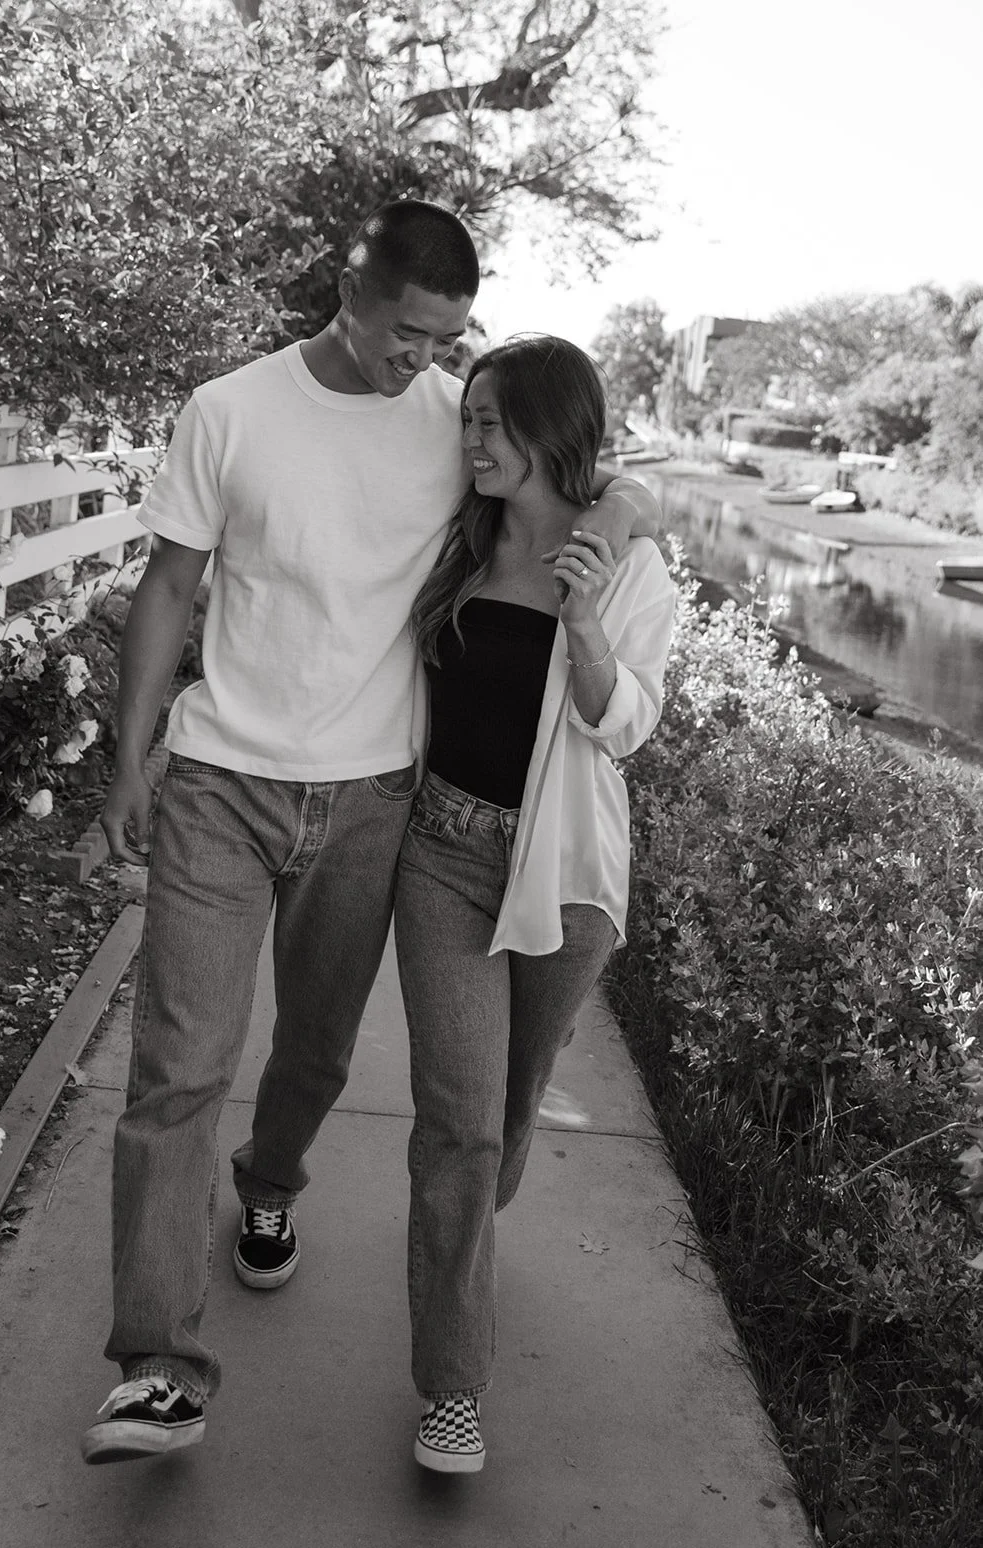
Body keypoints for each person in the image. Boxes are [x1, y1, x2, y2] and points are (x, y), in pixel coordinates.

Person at [80, 199, 662, 1466]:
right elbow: (169, 583)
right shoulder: (228, 409)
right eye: (407, 334)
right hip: (223, 779)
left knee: (317, 1055)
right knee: (178, 1065)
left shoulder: (455, 428)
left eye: (445, 340)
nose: (421, 363)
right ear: (353, 291)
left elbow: (603, 485)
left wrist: (610, 545)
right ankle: (157, 1368)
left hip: (370, 804)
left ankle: (271, 1187)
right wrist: (129, 761)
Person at [395, 335, 676, 1474]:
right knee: (457, 1124)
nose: (471, 442)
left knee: (506, 1117)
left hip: (562, 876)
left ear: (555, 429)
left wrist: (589, 625)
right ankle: (451, 1388)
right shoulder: (452, 540)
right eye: (466, 419)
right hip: (442, 859)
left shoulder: (629, 565)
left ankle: (459, 1236)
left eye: (494, 422)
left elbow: (627, 728)